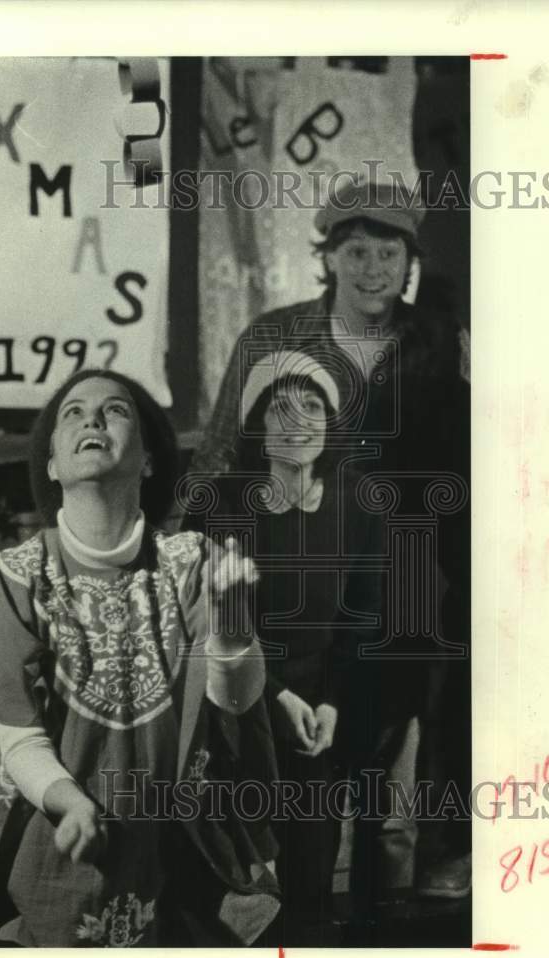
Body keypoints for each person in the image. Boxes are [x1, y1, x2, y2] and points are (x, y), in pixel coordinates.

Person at [0, 368, 280, 947]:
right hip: (55, 854)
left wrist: (234, 634)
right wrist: (70, 805)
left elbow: (233, 705)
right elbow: (19, 739)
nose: (92, 418)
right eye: (73, 412)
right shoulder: (12, 580)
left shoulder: (193, 564)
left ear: (148, 460)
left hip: (177, 861)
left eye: (116, 411)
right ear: (54, 466)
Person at [191, 176, 472, 905]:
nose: (373, 268)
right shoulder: (276, 336)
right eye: (356, 250)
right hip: (293, 578)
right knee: (286, 767)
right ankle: (286, 919)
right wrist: (188, 555)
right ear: (329, 257)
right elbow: (221, 455)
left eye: (389, 251)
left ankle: (387, 923)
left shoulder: (439, 342)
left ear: (409, 260)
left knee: (390, 770)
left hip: (406, 579)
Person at [182, 350, 399, 943]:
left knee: (308, 877)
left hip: (317, 716)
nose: (299, 421)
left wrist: (329, 703)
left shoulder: (358, 503)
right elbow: (202, 621)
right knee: (234, 884)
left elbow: (361, 619)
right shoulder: (220, 503)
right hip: (233, 703)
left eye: (312, 407)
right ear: (257, 425)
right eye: (281, 409)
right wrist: (274, 695)